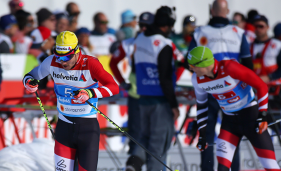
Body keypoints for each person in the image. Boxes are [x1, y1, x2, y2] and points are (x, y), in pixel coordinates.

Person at [23, 31, 119, 171]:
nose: (63, 62)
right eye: (59, 56)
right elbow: (31, 76)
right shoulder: (51, 62)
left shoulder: (90, 64)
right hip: (64, 129)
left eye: (67, 57)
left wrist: (90, 92)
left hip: (87, 129)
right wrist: (29, 82)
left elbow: (114, 87)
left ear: (76, 51)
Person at [189, 46, 281, 171]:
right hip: (229, 123)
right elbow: (201, 106)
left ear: (203, 64)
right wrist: (202, 135)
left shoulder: (229, 67)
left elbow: (261, 86)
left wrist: (263, 115)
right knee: (222, 168)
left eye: (192, 65)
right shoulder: (196, 79)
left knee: (271, 167)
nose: (190, 68)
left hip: (251, 118)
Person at [187, 0, 253, 170]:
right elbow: (248, 65)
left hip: (209, 91)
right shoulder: (238, 32)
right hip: (234, 92)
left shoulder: (199, 32)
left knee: (207, 135)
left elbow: (190, 62)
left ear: (211, 11)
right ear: (227, 11)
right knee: (233, 135)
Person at [125, 6, 180, 171]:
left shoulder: (140, 38)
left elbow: (134, 66)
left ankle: (132, 166)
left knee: (143, 139)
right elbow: (165, 78)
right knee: (157, 145)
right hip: (160, 101)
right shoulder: (164, 44)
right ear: (169, 24)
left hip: (142, 98)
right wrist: (174, 104)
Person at [109, 11, 154, 156]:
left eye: (148, 25)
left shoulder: (159, 41)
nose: (144, 29)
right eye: (142, 25)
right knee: (136, 133)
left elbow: (178, 63)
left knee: (153, 133)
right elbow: (113, 63)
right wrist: (122, 82)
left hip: (156, 96)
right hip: (136, 94)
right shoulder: (128, 43)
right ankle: (134, 163)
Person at [251, 15, 281, 85]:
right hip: (256, 87)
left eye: (261, 26)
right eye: (255, 26)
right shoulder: (248, 46)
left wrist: (269, 77)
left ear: (267, 27)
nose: (258, 29)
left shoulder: (277, 45)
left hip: (274, 87)